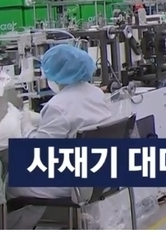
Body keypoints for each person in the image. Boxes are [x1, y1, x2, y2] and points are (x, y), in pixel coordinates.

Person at [7, 44, 113, 229]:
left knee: (10, 182)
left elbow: (38, 151)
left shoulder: (58, 105)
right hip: (101, 174)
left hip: (75, 183)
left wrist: (25, 125)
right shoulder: (95, 93)